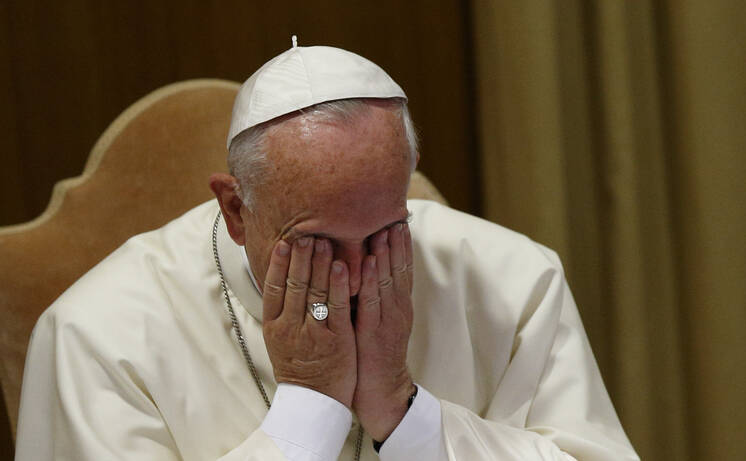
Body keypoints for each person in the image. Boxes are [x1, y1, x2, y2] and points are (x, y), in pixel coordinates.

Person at [14, 43, 639, 461]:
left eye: (384, 235)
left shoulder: (512, 280)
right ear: (236, 210)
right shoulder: (95, 335)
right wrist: (308, 409)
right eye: (315, 244)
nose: (356, 276)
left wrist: (403, 410)